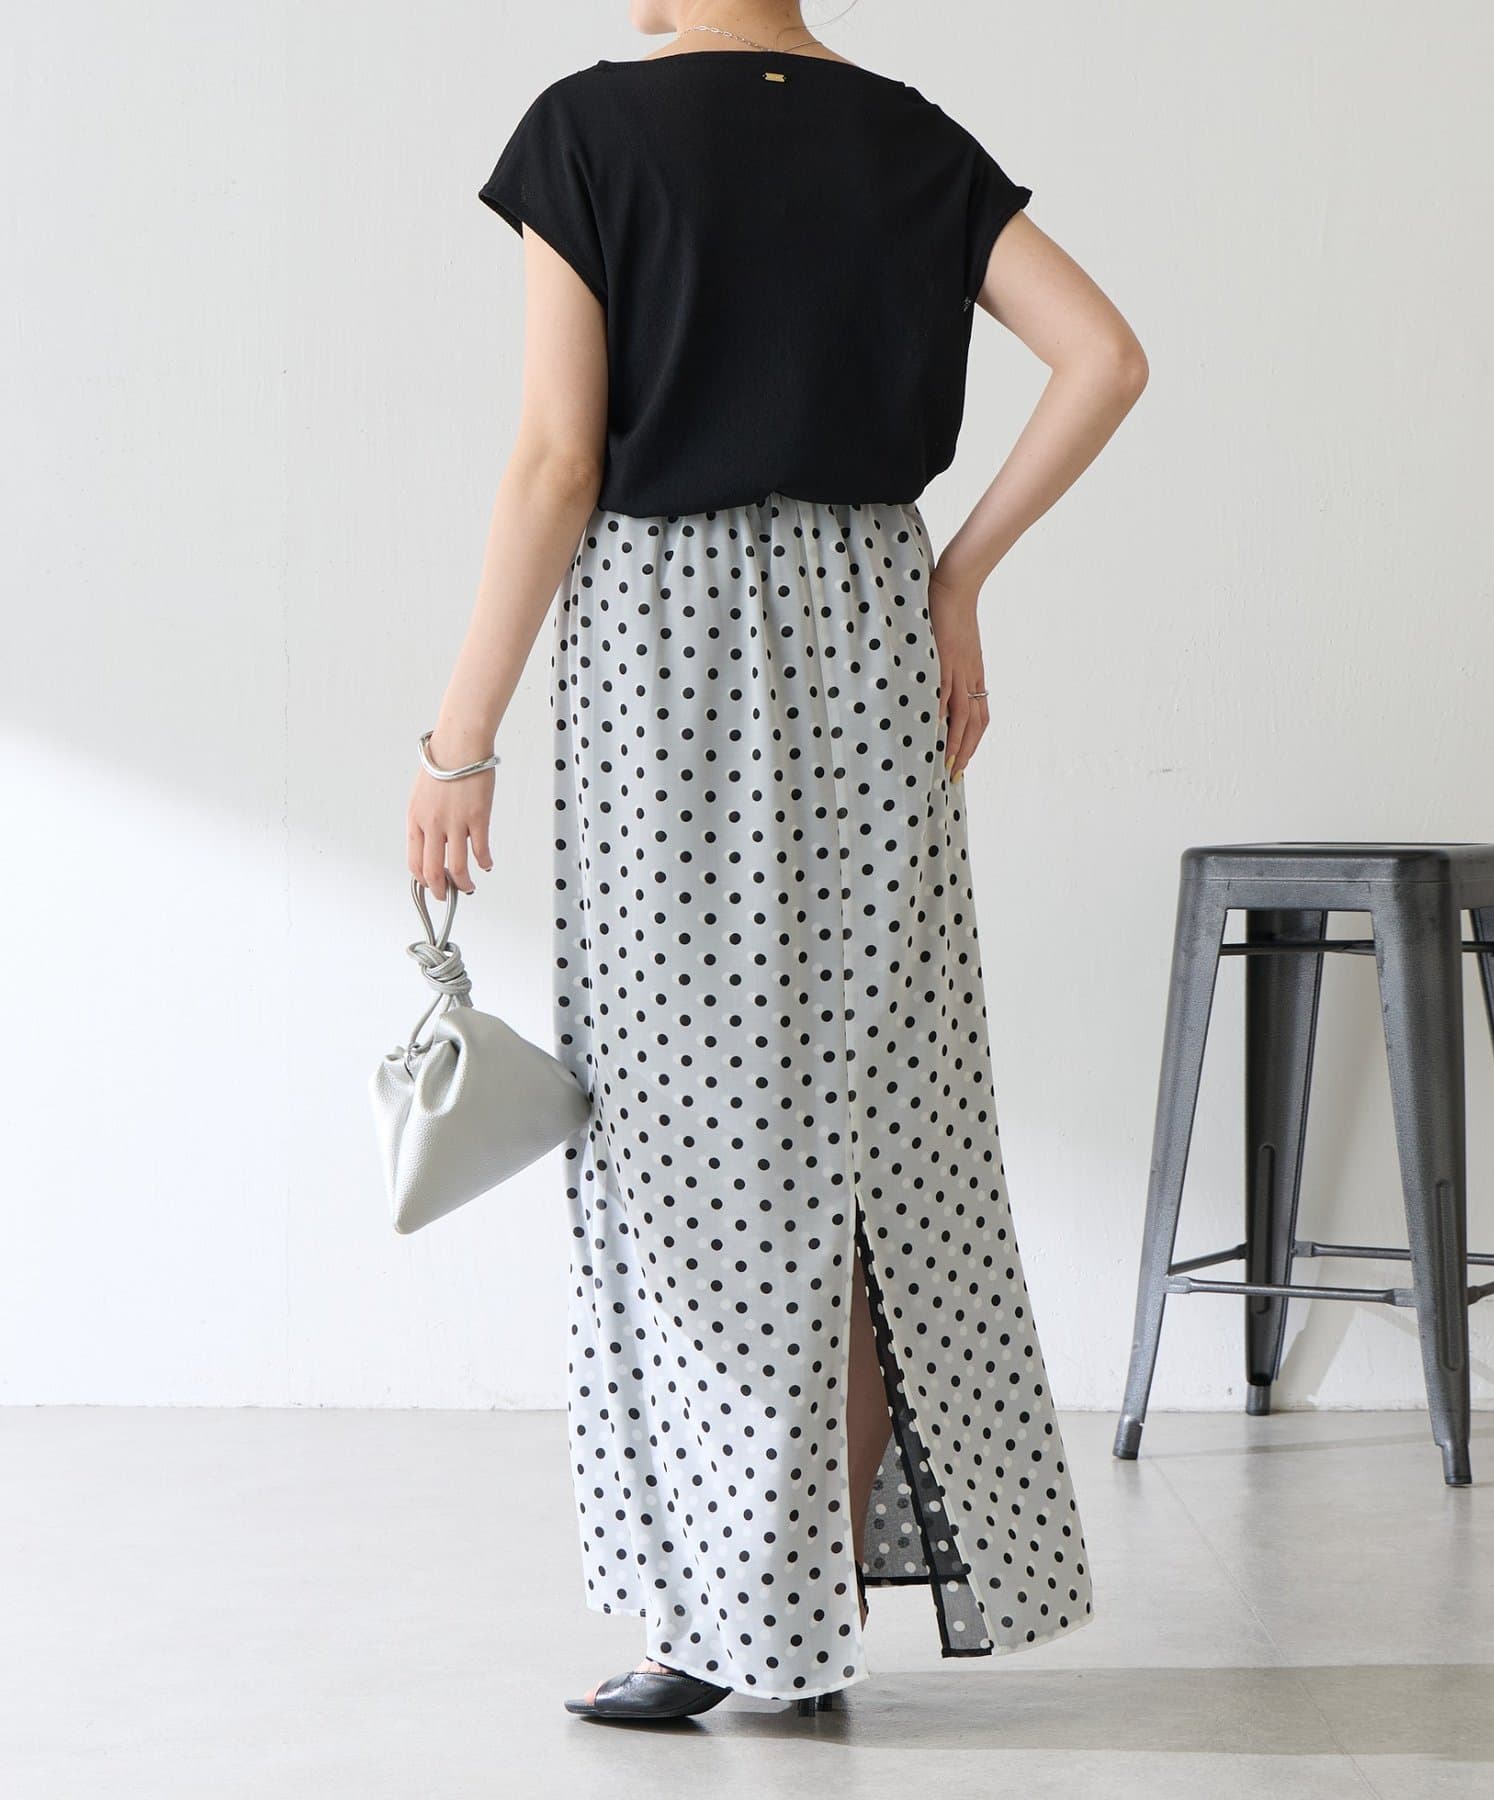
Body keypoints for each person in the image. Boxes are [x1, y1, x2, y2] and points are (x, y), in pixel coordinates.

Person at [407, 0, 1147, 1724]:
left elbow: (559, 460)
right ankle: (793, 1623)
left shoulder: (591, 129)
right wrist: (957, 579)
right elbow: (1106, 358)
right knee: (868, 1139)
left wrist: (459, 736)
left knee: (679, 1148)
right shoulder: (907, 132)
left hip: (664, 658)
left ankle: (725, 1623)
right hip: (870, 630)